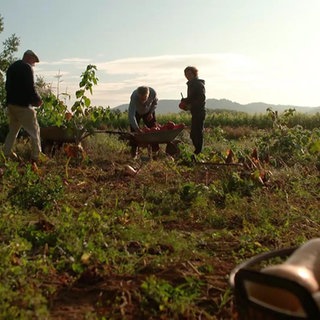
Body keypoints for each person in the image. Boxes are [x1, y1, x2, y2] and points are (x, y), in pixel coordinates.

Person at [3, 49, 44, 162]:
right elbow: (31, 87)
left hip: (11, 105)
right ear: (29, 57)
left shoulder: (12, 67)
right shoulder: (26, 68)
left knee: (13, 130)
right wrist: (37, 99)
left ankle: (5, 153)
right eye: (33, 61)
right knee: (34, 130)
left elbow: (7, 87)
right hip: (23, 106)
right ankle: (37, 156)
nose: (33, 64)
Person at [128, 86, 159, 158]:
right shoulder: (134, 97)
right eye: (140, 99)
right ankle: (134, 152)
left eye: (144, 98)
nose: (142, 101)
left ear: (148, 95)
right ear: (138, 95)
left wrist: (151, 112)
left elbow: (155, 103)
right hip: (137, 112)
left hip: (148, 111)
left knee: (154, 130)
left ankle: (155, 152)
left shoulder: (153, 93)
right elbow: (131, 115)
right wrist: (137, 129)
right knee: (134, 133)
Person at [181, 66, 206, 155]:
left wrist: (190, 105)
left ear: (194, 74)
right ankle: (198, 151)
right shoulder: (191, 84)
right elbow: (192, 98)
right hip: (195, 112)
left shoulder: (198, 84)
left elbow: (201, 99)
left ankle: (198, 152)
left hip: (199, 112)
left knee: (197, 133)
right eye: (186, 74)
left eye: (190, 73)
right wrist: (185, 101)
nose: (188, 75)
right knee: (194, 133)